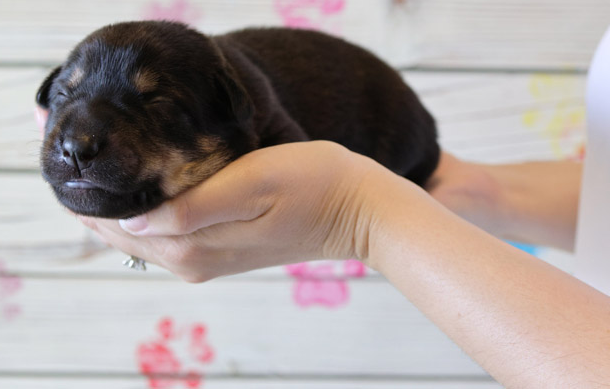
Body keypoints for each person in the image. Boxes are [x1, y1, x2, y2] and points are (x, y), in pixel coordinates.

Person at [34, 28, 610, 387]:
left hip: (387, 128)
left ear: (232, 112)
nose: (77, 139)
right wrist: (460, 191)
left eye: (155, 101)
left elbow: (306, 166)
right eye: (68, 93)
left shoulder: (246, 100)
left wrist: (361, 214)